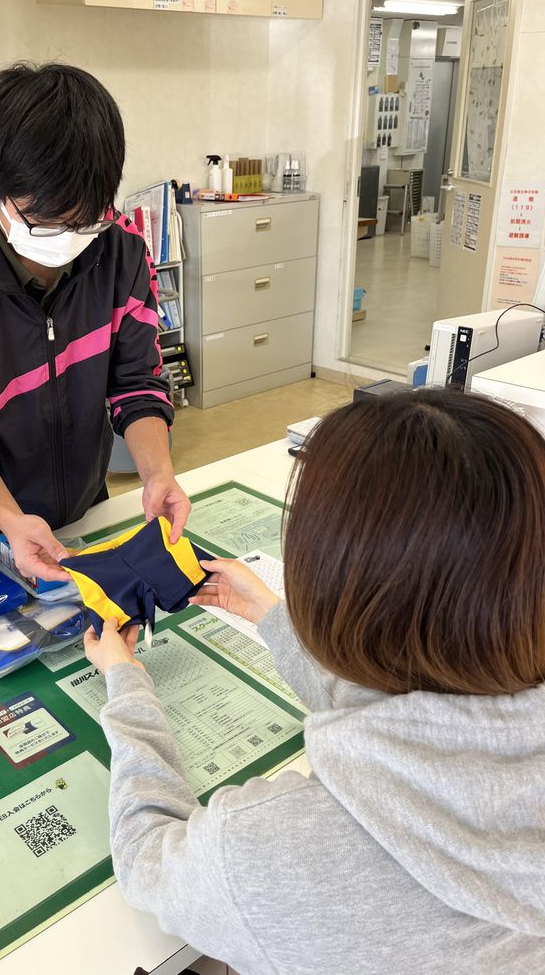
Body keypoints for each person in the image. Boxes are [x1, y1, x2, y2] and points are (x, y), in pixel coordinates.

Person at [85, 388, 545, 974]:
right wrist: (272, 619)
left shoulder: (265, 852)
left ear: (326, 586)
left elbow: (148, 855)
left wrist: (125, 687)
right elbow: (424, 697)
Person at [0, 63, 189, 575]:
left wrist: (158, 473)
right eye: (46, 223)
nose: (69, 239)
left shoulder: (122, 249)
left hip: (86, 504)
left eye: (85, 219)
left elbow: (136, 382)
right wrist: (11, 521)